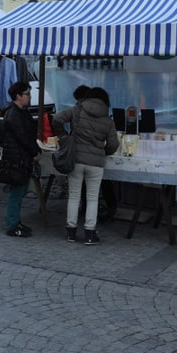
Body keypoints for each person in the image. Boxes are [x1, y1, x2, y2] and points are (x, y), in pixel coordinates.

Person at [52, 86, 119, 245]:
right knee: (92, 198)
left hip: (76, 159)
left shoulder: (77, 110)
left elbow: (57, 119)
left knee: (74, 196)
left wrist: (63, 137)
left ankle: (71, 232)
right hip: (96, 163)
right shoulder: (108, 120)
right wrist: (103, 151)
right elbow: (113, 145)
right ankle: (89, 234)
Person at [1, 81, 40, 237]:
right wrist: (34, 151)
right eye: (27, 94)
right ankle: (12, 225)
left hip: (21, 157)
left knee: (20, 190)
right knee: (16, 192)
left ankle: (16, 221)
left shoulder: (20, 111)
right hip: (16, 158)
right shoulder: (14, 113)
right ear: (18, 96)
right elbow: (23, 136)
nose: (30, 97)